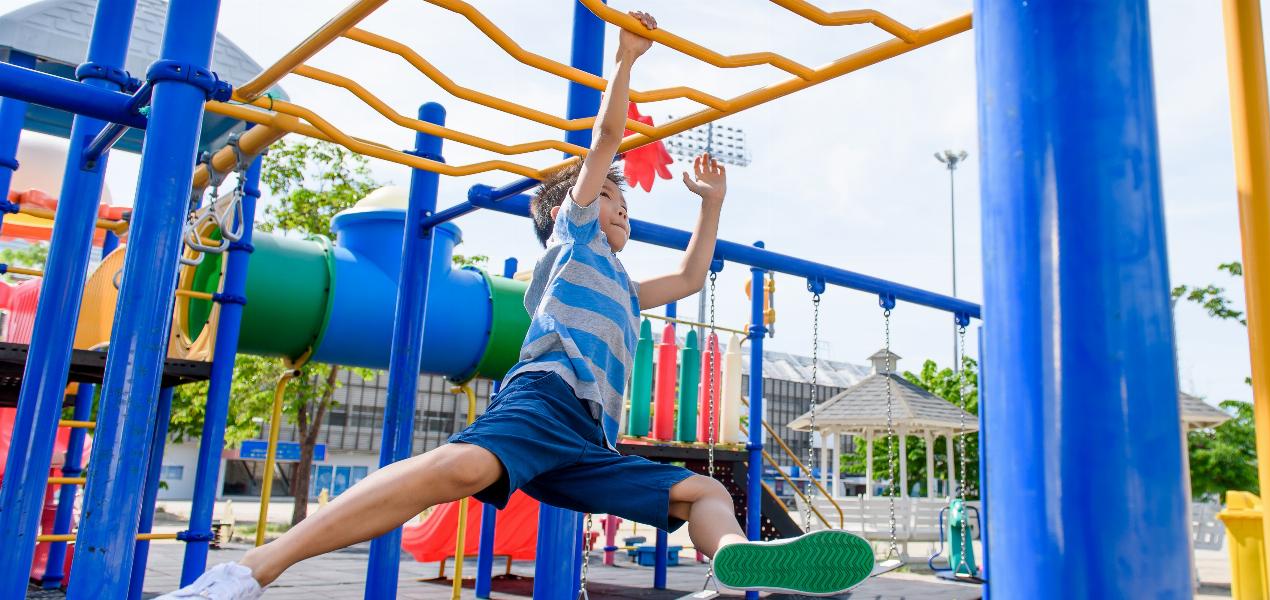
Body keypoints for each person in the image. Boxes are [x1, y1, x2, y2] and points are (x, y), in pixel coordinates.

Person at [164, 11, 873, 599]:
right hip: (545, 401)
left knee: (702, 492)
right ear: (580, 208)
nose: (622, 210)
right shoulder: (574, 241)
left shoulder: (624, 287)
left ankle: (733, 564)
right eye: (614, 199)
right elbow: (601, 145)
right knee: (462, 470)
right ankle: (249, 570)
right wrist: (625, 63)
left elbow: (690, 278)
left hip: (591, 439)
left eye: (622, 202)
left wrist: (713, 204)